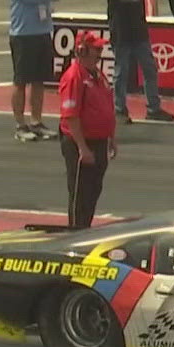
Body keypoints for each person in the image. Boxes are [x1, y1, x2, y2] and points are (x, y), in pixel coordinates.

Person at [103, 0, 174, 123]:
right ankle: (119, 108)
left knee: (150, 69)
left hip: (139, 29)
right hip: (121, 30)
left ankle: (153, 106)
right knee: (121, 72)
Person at [58, 30, 118, 229]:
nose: (100, 52)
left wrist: (111, 137)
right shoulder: (74, 77)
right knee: (80, 195)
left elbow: (107, 107)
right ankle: (76, 233)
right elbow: (71, 115)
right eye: (96, 49)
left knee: (93, 190)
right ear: (82, 51)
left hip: (99, 141)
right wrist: (82, 148)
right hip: (81, 144)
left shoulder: (97, 74)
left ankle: (85, 229)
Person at [7, 0, 62, 142]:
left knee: (39, 80)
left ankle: (37, 120)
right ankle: (20, 123)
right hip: (23, 33)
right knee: (21, 80)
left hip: (42, 30)